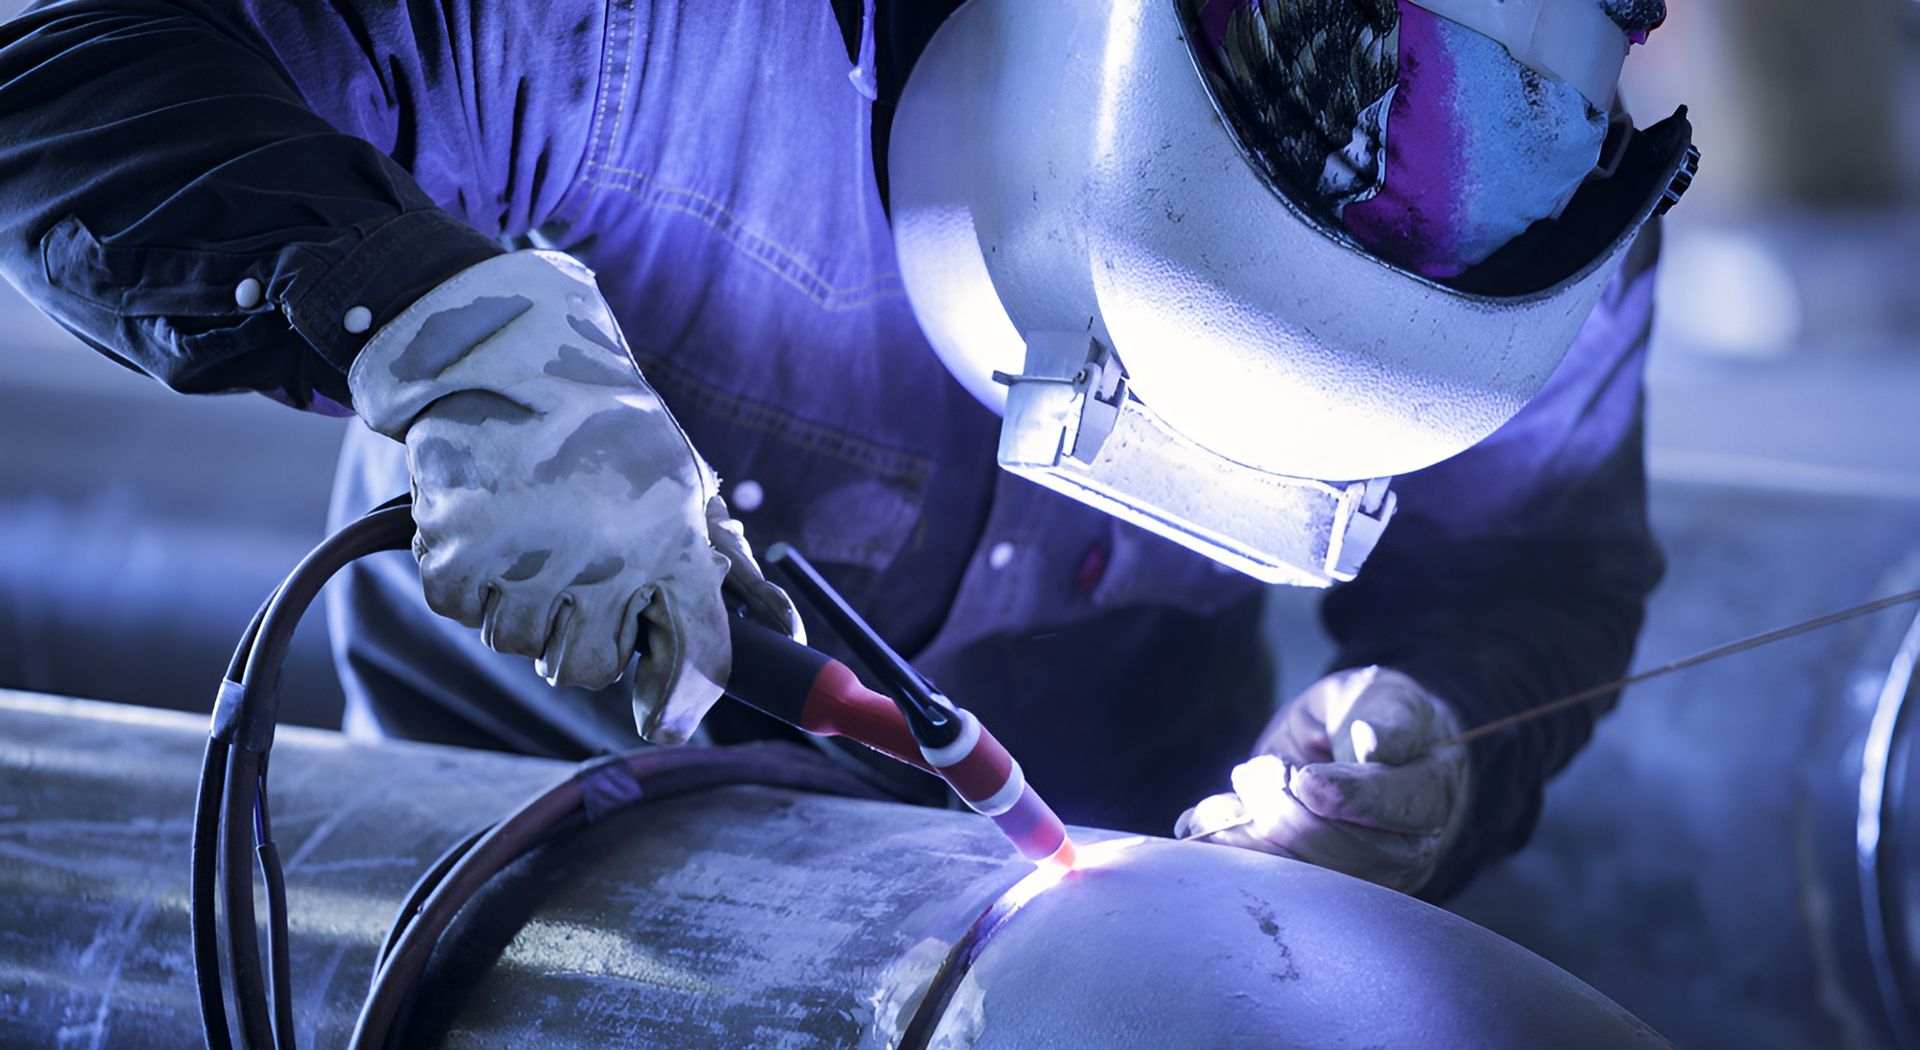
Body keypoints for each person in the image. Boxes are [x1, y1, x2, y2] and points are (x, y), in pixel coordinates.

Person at [0, 0, 1683, 899]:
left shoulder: (1528, 198)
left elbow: (1540, 562)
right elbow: (70, 51)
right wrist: (430, 328)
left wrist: (1436, 746)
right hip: (525, 880)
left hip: (1088, 951)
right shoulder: (637, 40)